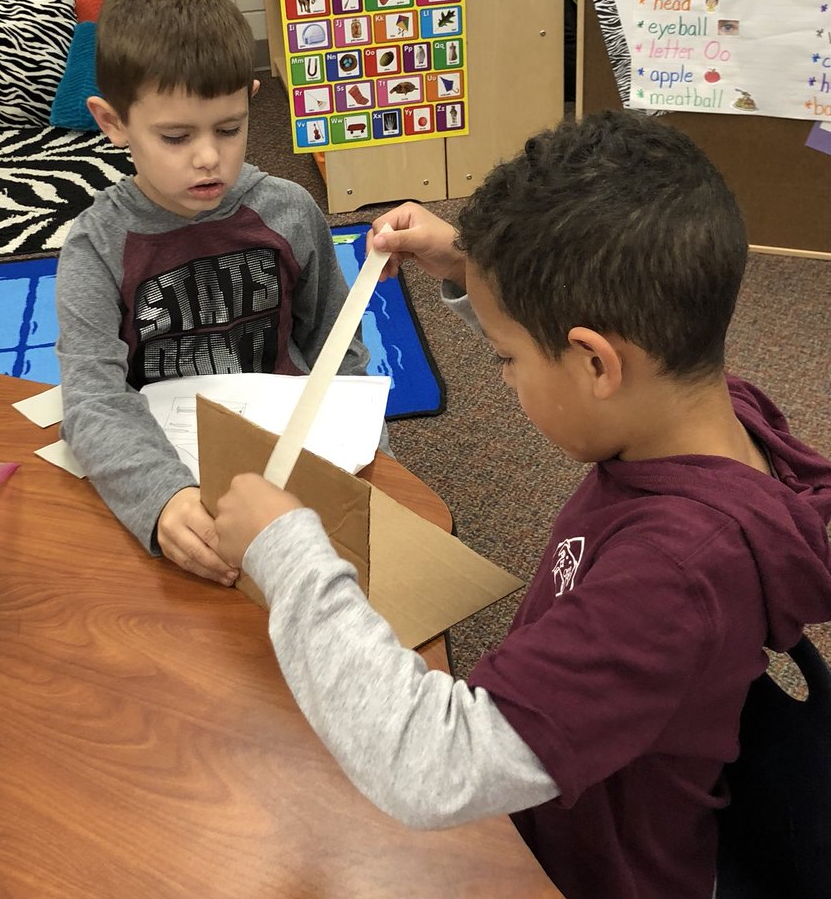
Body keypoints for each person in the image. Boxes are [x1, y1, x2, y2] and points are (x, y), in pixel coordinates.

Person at [211, 110, 831, 899]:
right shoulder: (710, 409)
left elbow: (430, 764)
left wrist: (286, 552)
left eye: (507, 356)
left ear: (596, 363)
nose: (503, 374)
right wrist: (477, 268)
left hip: (600, 873)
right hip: (584, 783)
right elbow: (586, 369)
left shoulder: (674, 576)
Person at [56, 0, 375, 587]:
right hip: (165, 469)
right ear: (112, 122)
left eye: (229, 129)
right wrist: (162, 497)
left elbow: (339, 349)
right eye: (176, 136)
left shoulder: (288, 210)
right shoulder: (96, 246)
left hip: (287, 455)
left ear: (251, 99)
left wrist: (362, 454)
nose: (209, 157)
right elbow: (91, 399)